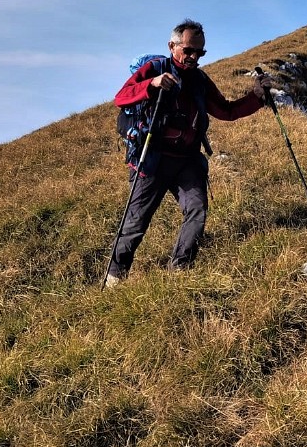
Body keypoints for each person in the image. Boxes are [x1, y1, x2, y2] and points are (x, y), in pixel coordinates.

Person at [106, 20, 271, 286]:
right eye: (189, 51)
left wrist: (257, 97)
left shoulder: (199, 80)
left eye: (200, 53)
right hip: (153, 159)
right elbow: (121, 97)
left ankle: (180, 269)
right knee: (137, 220)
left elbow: (226, 111)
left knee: (197, 209)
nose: (194, 57)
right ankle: (115, 275)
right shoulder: (155, 69)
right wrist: (152, 83)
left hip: (187, 160)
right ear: (172, 46)